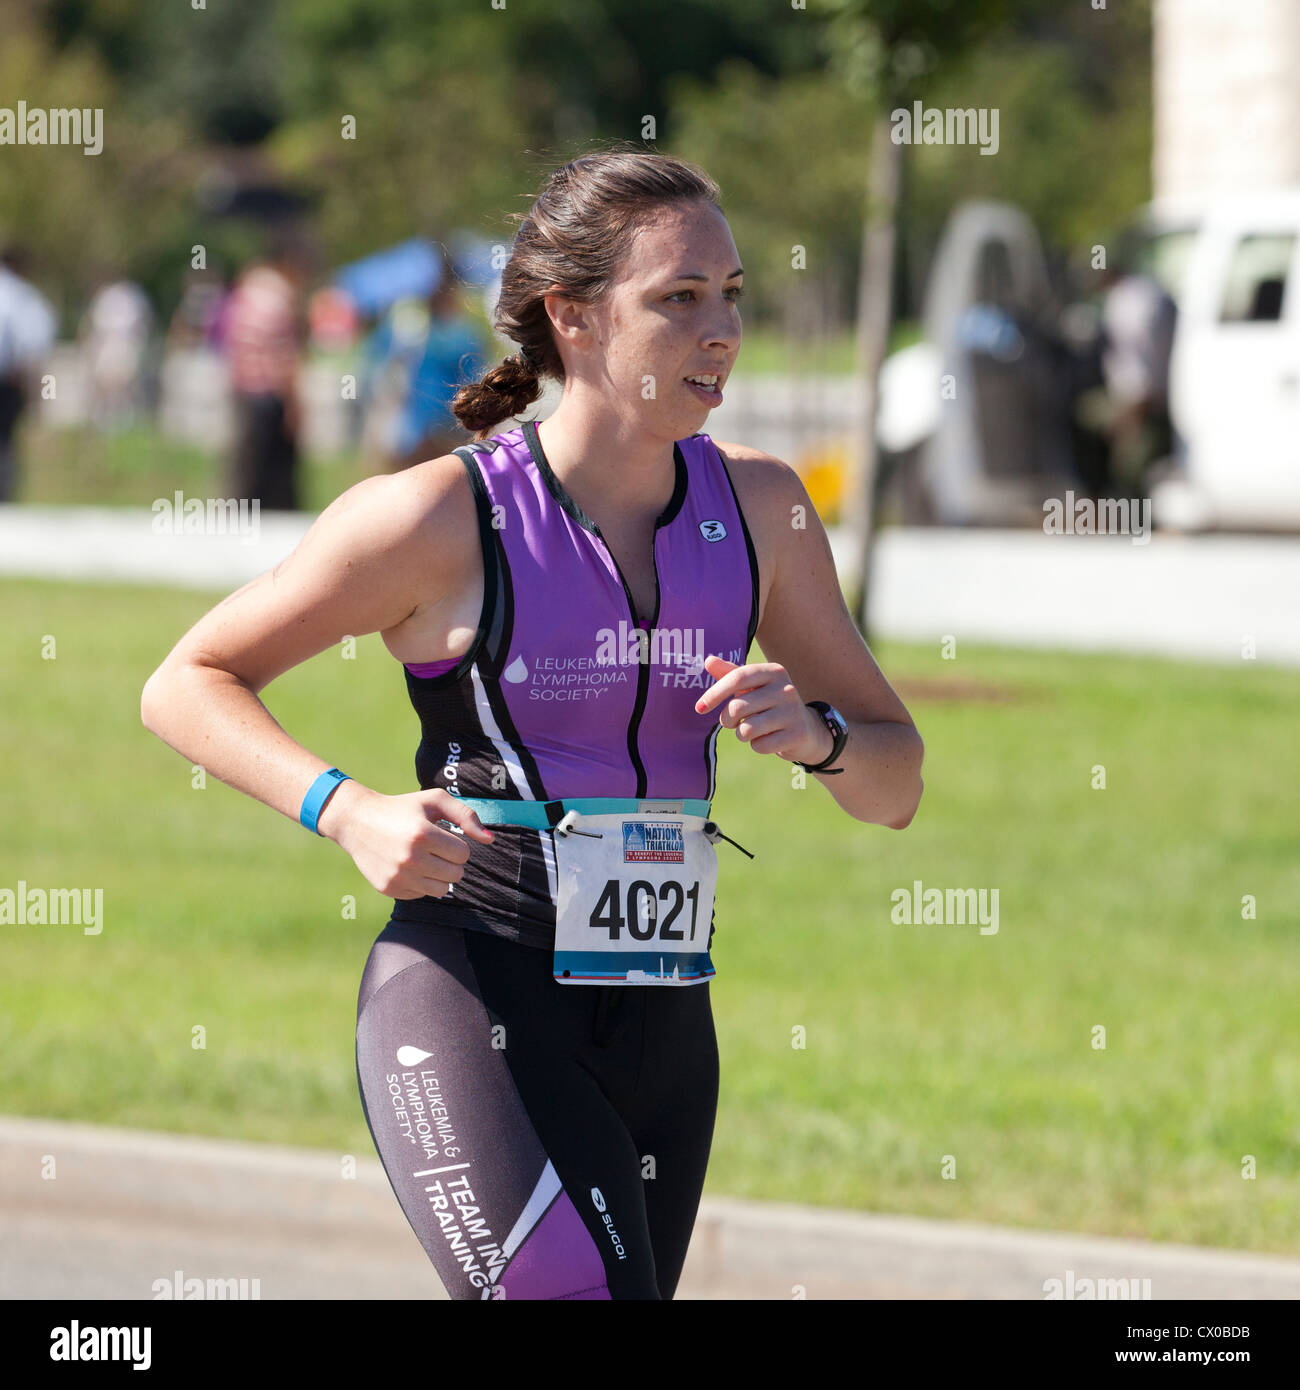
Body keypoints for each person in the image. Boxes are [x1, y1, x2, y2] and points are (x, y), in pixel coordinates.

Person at [139, 147, 924, 1300]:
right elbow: (187, 679)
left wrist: (822, 737)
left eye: (732, 295)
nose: (721, 332)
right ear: (574, 317)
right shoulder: (438, 518)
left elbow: (895, 785)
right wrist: (344, 808)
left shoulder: (760, 508)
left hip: (664, 1018)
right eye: (679, 298)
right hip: (473, 992)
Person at [220, 236, 309, 510]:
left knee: (244, 471)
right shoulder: (281, 300)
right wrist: (295, 404)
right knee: (277, 480)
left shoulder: (243, 294)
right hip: (271, 396)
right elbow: (284, 358)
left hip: (243, 391)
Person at [0, 244, 57, 502]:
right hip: (9, 381)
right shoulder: (25, 297)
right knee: (5, 441)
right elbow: (34, 349)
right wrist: (42, 395)